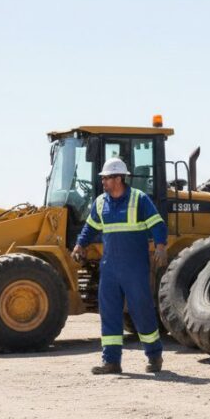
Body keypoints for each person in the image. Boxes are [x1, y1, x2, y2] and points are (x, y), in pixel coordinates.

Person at [71, 158, 169, 374]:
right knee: (109, 313)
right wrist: (80, 245)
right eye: (103, 178)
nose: (103, 181)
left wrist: (161, 246)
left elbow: (157, 224)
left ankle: (154, 356)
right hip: (110, 269)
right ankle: (111, 361)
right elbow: (89, 227)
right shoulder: (100, 202)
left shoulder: (139, 199)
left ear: (118, 178)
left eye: (106, 178)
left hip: (135, 267)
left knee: (141, 311)